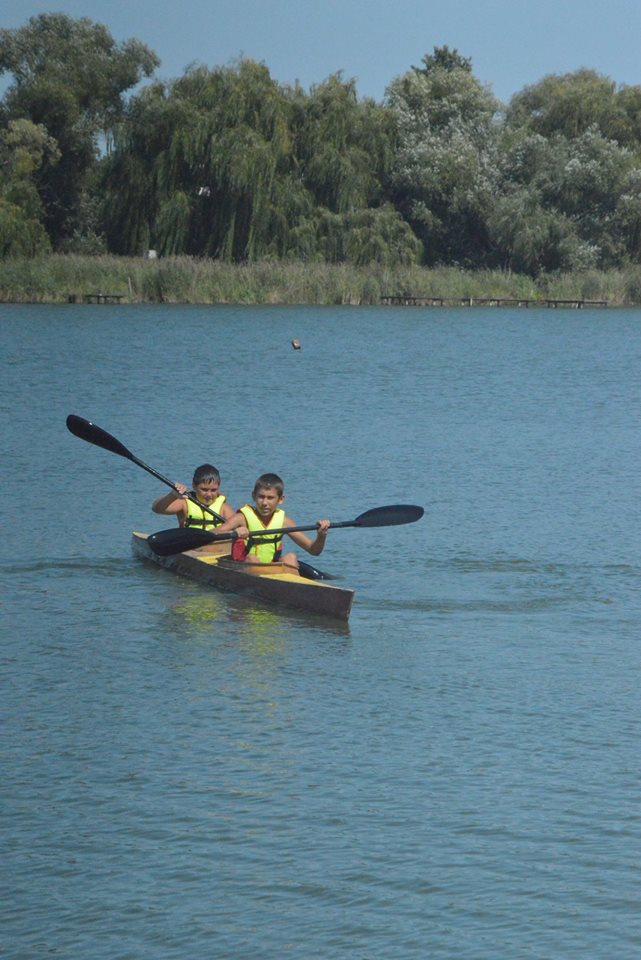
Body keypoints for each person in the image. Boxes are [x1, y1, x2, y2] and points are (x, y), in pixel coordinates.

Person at [226, 472, 330, 570]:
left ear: (280, 499)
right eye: (261, 497)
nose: (265, 503)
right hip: (245, 566)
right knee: (252, 558)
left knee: (290, 557)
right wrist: (234, 532)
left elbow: (314, 550)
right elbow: (213, 533)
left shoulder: (284, 522)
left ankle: (294, 587)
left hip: (270, 567)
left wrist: (321, 535)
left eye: (270, 498)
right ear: (254, 496)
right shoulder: (241, 518)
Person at [151, 463, 236, 528]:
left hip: (215, 549)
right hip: (188, 547)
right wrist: (172, 495)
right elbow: (157, 508)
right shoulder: (184, 503)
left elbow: (240, 525)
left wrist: (240, 529)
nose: (209, 494)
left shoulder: (224, 508)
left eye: (213, 490)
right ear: (194, 486)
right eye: (204, 490)